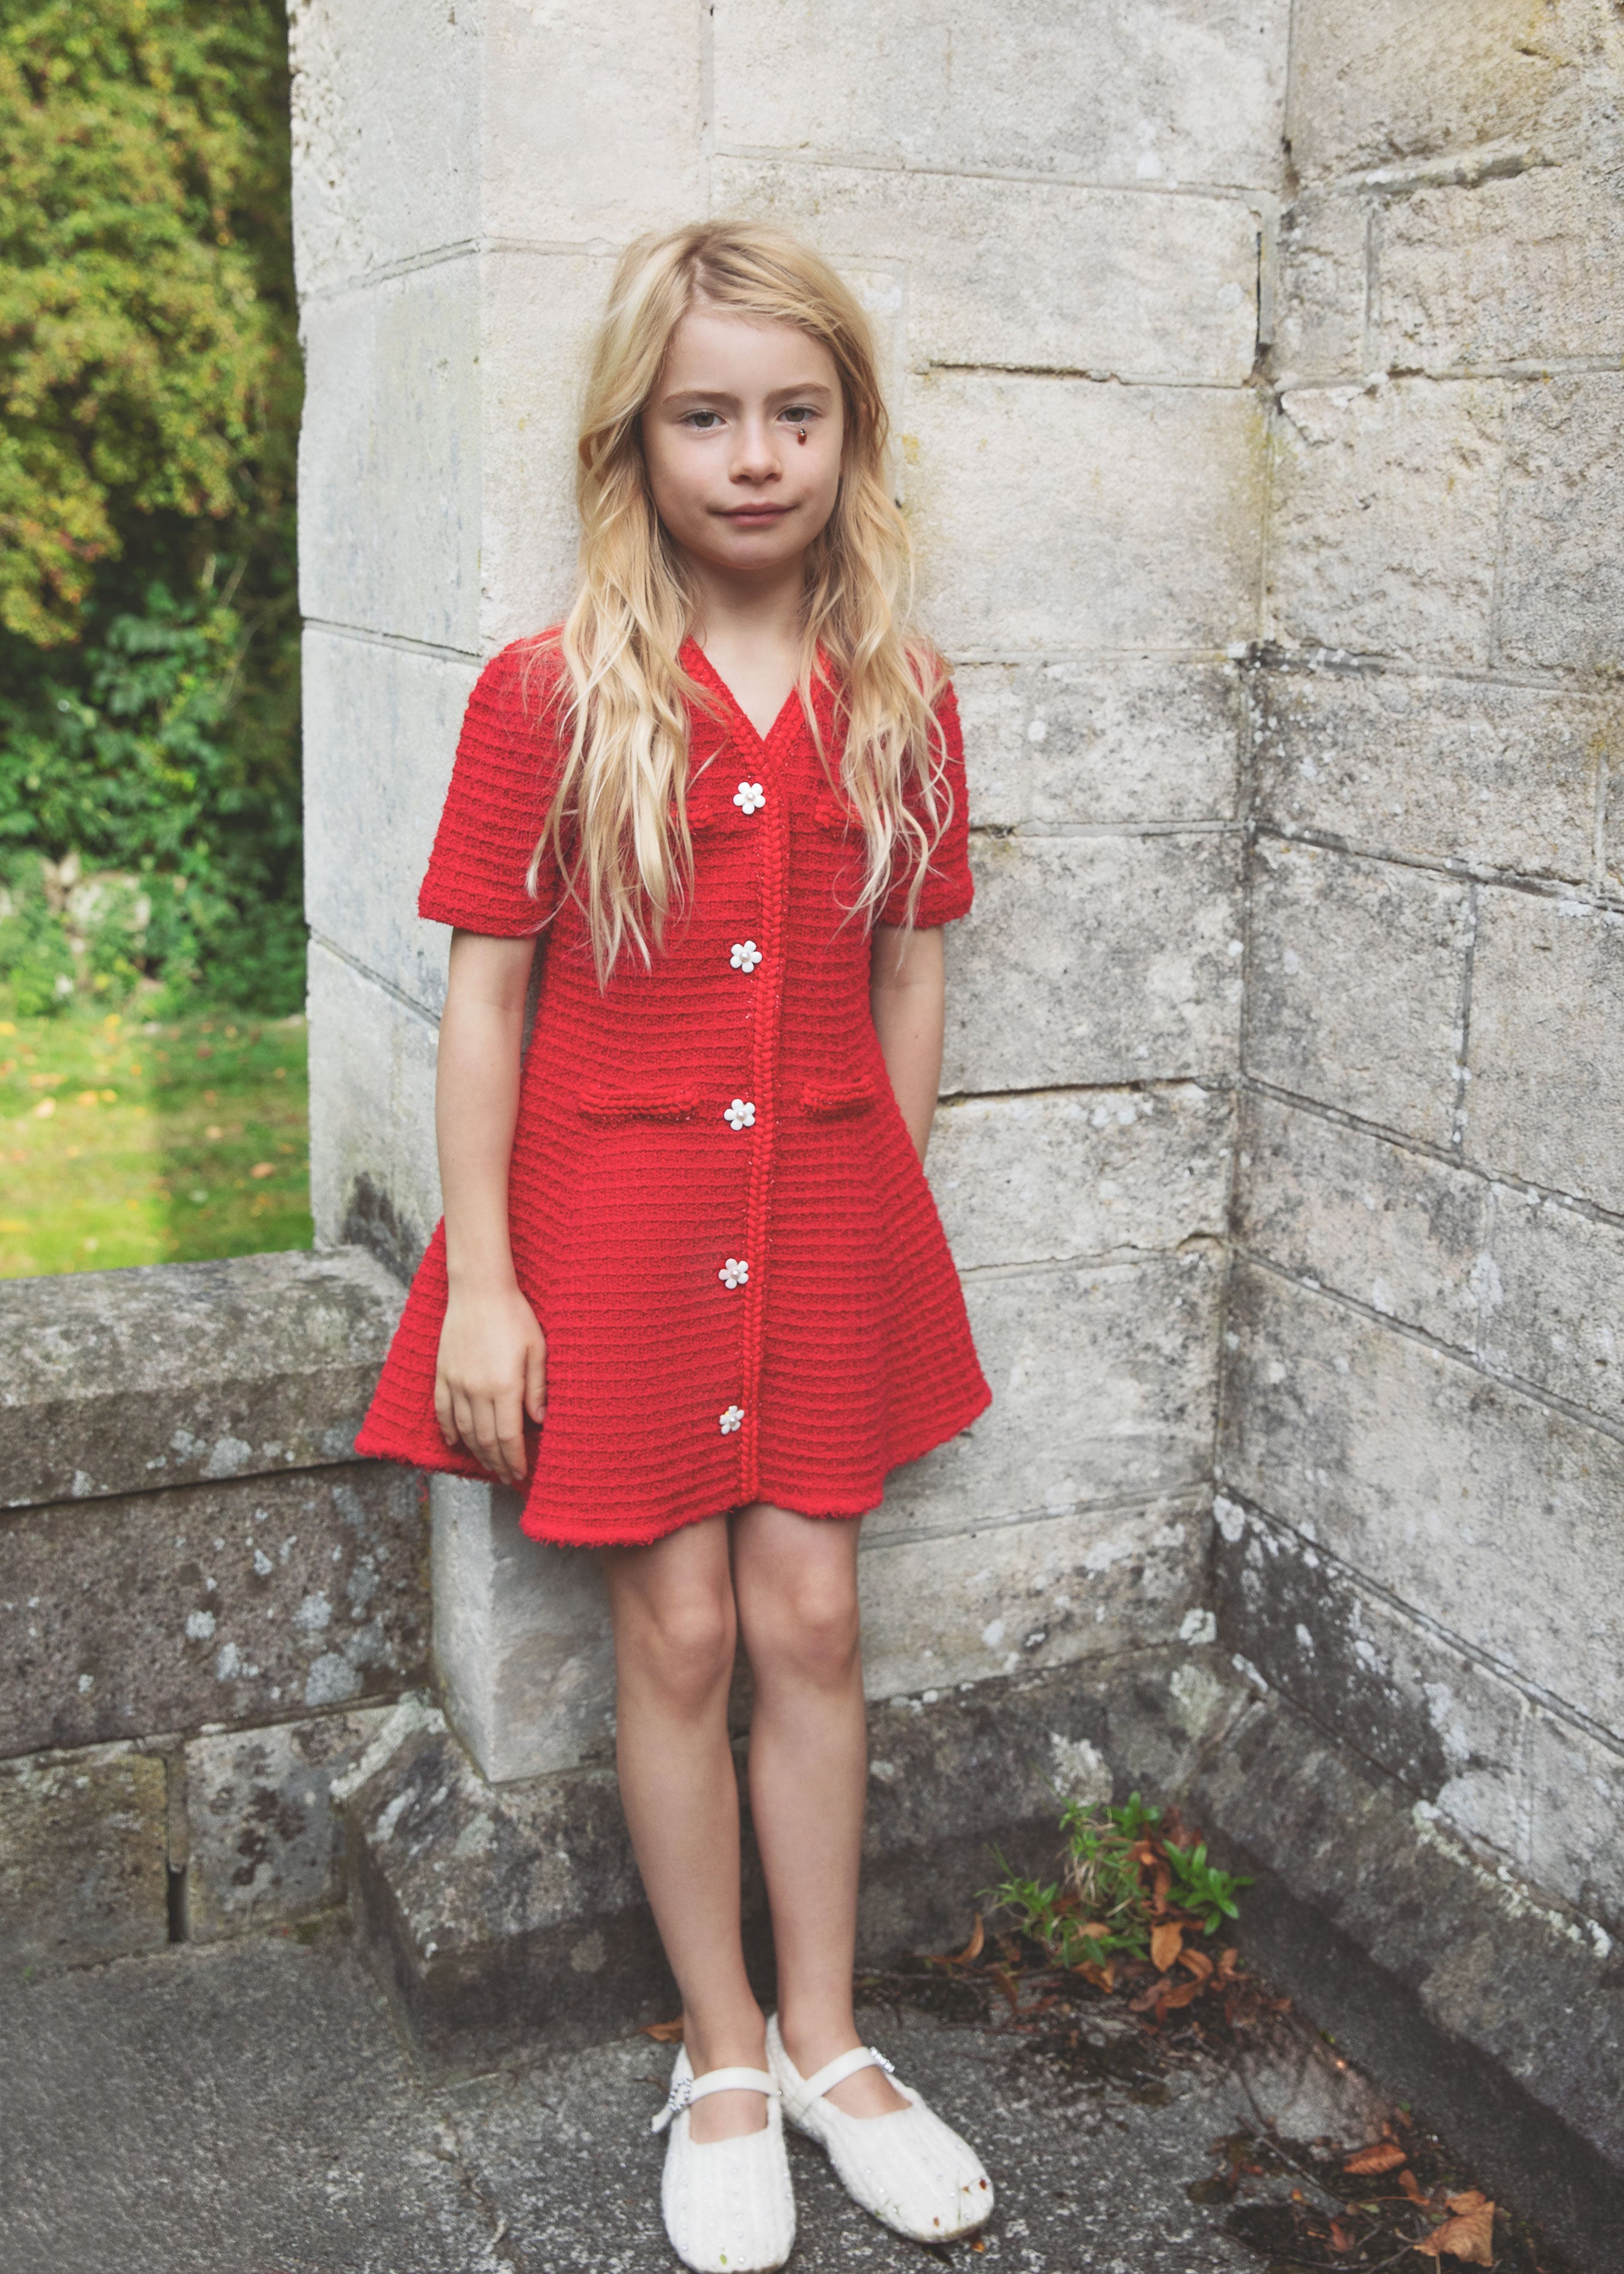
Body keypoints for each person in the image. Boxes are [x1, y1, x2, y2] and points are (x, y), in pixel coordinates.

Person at [356, 219, 994, 2273]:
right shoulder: (551, 696)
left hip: (820, 1223)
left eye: (792, 414)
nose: (751, 455)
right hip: (611, 1235)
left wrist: (880, 1211)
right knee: (686, 1632)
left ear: (848, 435)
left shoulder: (901, 697)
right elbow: (486, 1000)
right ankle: (717, 2048)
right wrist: (483, 1278)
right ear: (631, 442)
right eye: (703, 415)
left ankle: (826, 2037)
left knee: (810, 1620)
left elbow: (907, 980)